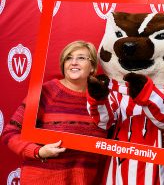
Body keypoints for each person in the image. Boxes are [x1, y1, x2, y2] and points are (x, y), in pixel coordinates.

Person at [1, 40, 107, 184]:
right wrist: (38, 152)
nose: (73, 62)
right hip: (42, 180)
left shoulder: (102, 100)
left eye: (81, 58)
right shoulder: (46, 92)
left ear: (93, 66)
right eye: (68, 58)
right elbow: (10, 132)